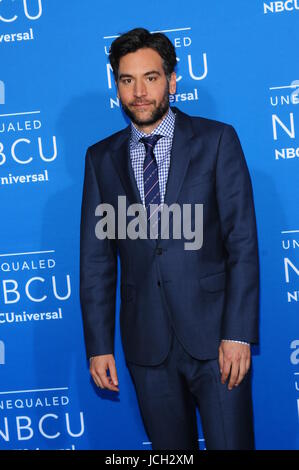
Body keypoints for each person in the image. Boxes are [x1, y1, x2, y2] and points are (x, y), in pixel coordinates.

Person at [80, 27, 259, 450]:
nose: (139, 91)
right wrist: (99, 346)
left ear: (172, 80)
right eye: (127, 80)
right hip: (147, 346)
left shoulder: (217, 141)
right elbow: (97, 261)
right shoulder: (101, 158)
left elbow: (243, 242)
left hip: (217, 340)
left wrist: (237, 334)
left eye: (151, 77)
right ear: (116, 86)